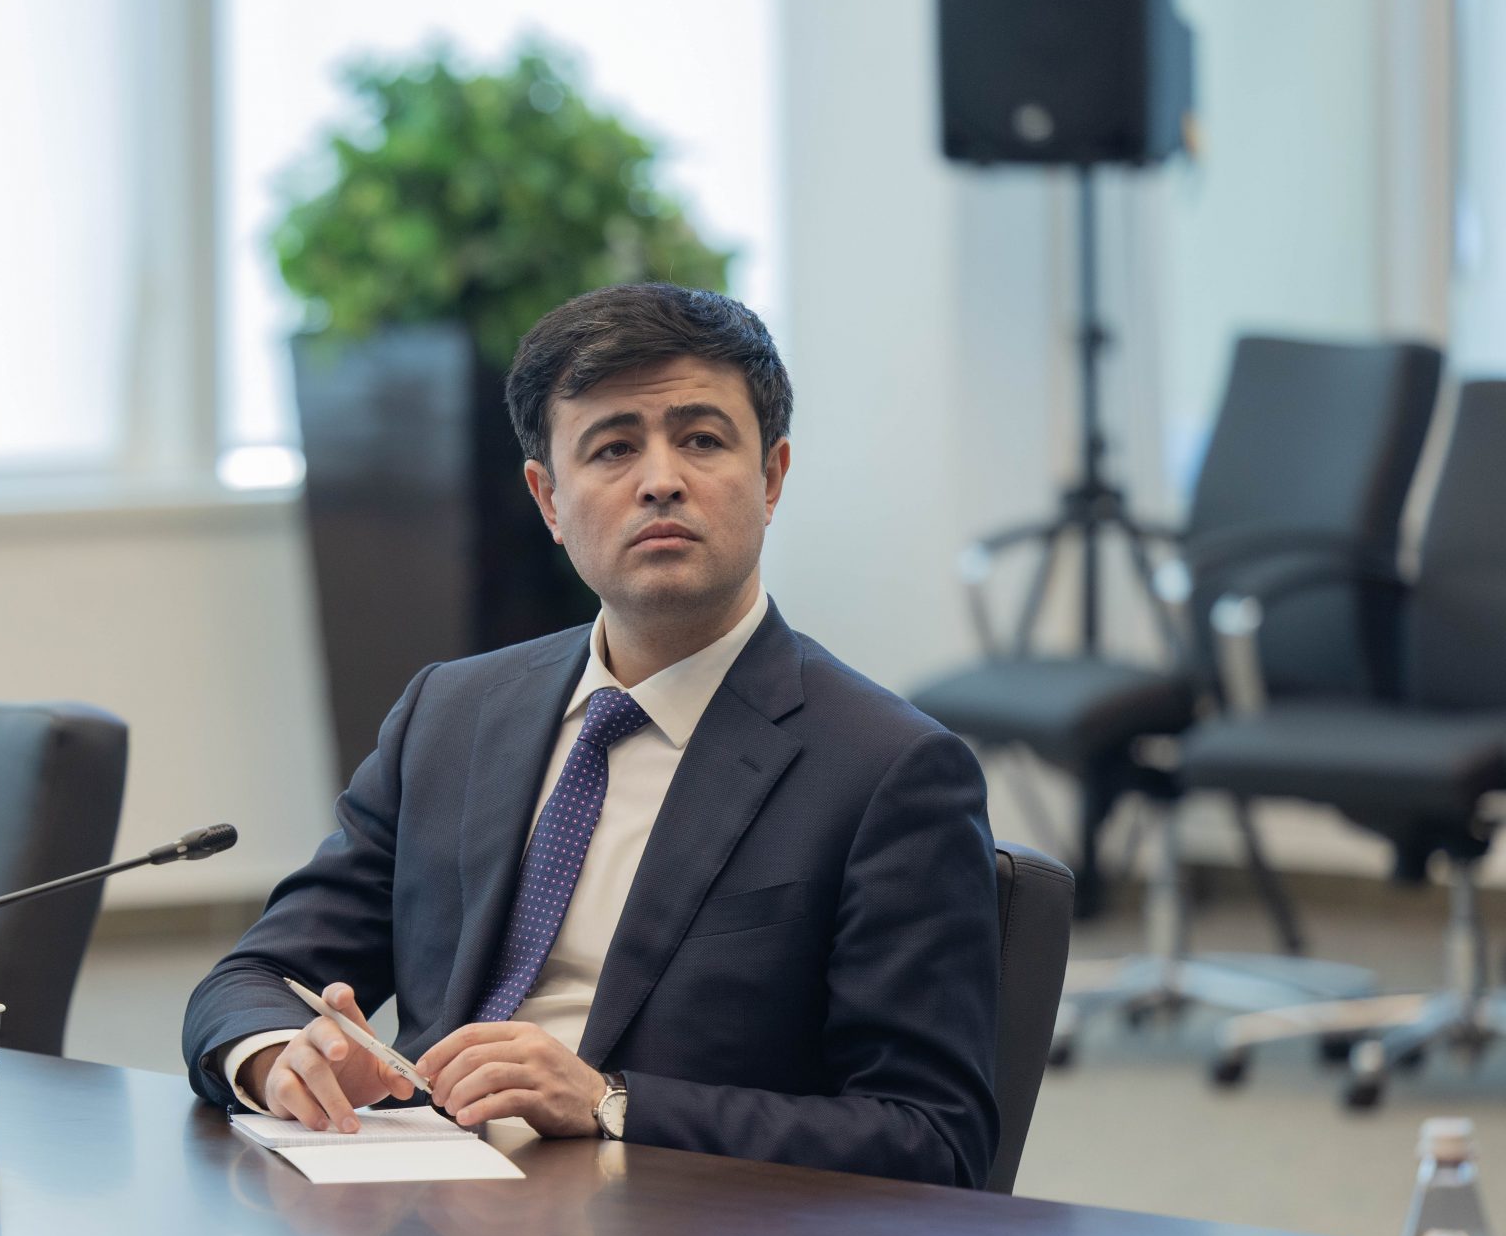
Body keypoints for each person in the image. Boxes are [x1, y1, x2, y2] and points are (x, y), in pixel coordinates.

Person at [181, 283, 1001, 1187]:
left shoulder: (886, 769)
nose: (661, 480)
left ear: (771, 479)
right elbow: (254, 978)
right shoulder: (451, 714)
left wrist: (611, 1102)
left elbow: (933, 1136)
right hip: (419, 1216)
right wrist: (280, 1058)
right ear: (549, 500)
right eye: (613, 448)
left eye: (702, 440)